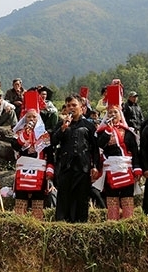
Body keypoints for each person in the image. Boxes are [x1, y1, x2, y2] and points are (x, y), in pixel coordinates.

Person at [52, 93, 101, 223]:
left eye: (74, 105)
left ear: (81, 107)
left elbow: (95, 148)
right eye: (68, 106)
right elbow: (52, 141)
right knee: (64, 197)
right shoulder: (61, 124)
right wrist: (63, 128)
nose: (71, 108)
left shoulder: (89, 125)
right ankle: (62, 223)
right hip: (65, 166)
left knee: (81, 198)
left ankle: (81, 223)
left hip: (83, 167)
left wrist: (95, 166)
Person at [96, 85, 141, 220]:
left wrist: (137, 169)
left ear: (120, 115)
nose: (112, 115)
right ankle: (112, 224)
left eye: (115, 113)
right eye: (110, 113)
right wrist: (108, 131)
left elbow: (135, 151)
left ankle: (128, 222)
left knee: (127, 198)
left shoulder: (128, 132)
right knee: (112, 198)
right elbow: (99, 146)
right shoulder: (101, 133)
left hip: (126, 169)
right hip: (110, 169)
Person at [11, 90, 54, 221]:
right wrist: (25, 133)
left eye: (34, 117)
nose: (31, 119)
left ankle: (37, 226)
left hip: (40, 171)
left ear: (39, 118)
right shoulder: (19, 133)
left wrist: (50, 171)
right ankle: (19, 225)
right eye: (29, 117)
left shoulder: (45, 135)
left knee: (38, 201)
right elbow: (16, 146)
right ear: (24, 118)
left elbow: (50, 154)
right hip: (23, 170)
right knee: (21, 200)